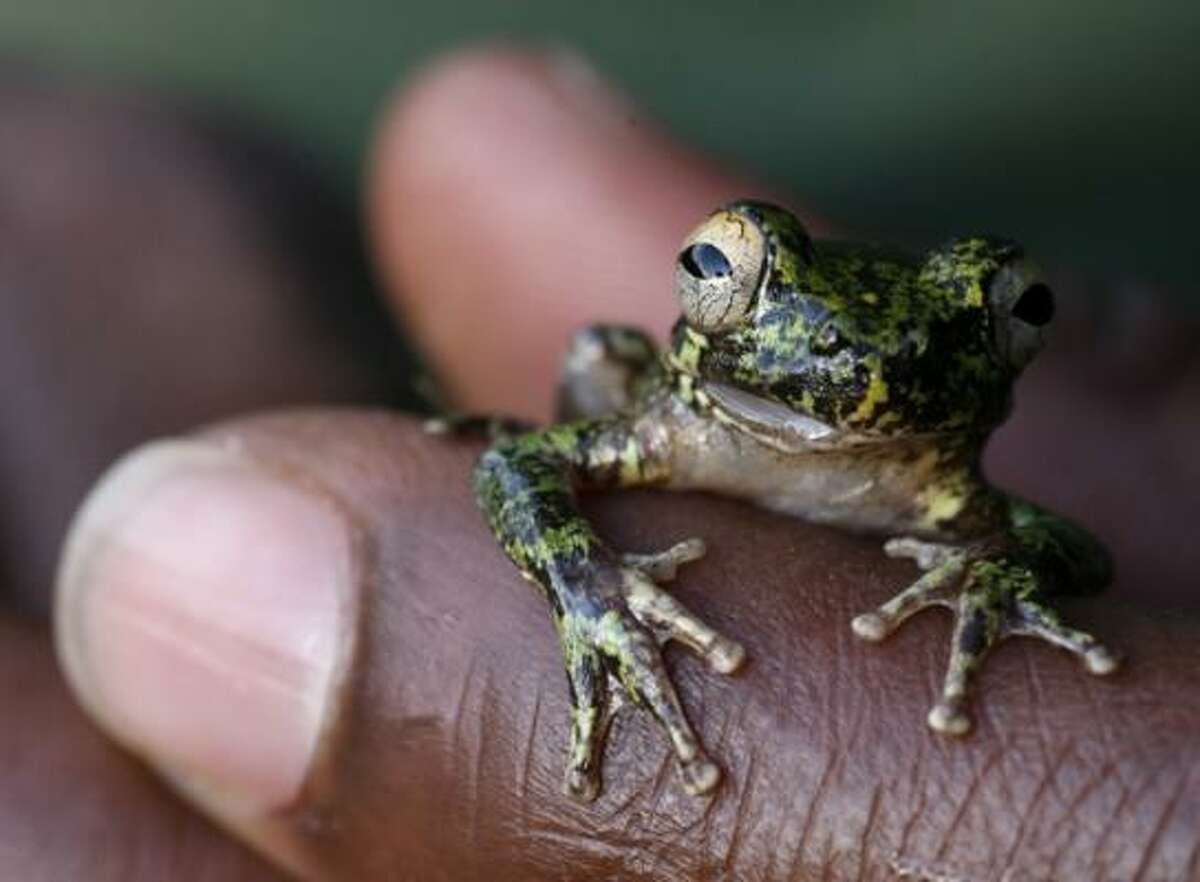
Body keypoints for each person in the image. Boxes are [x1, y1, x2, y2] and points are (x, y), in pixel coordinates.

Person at [5, 47, 1198, 880]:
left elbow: (1068, 547)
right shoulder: (661, 419)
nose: (850, 361)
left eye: (1010, 312)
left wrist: (990, 571)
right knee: (583, 356)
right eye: (722, 278)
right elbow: (515, 474)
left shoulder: (955, 493)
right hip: (661, 424)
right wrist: (592, 595)